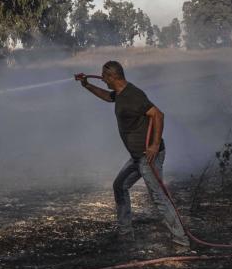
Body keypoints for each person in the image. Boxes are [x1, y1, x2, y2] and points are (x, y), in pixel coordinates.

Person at [75, 61, 191, 252]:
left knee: (158, 198)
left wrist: (154, 145)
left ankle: (182, 242)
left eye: (104, 76)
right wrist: (87, 85)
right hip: (138, 157)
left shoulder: (133, 95)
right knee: (120, 186)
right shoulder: (120, 94)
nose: (102, 79)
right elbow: (107, 96)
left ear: (113, 76)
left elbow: (158, 115)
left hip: (148, 157)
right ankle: (125, 234)